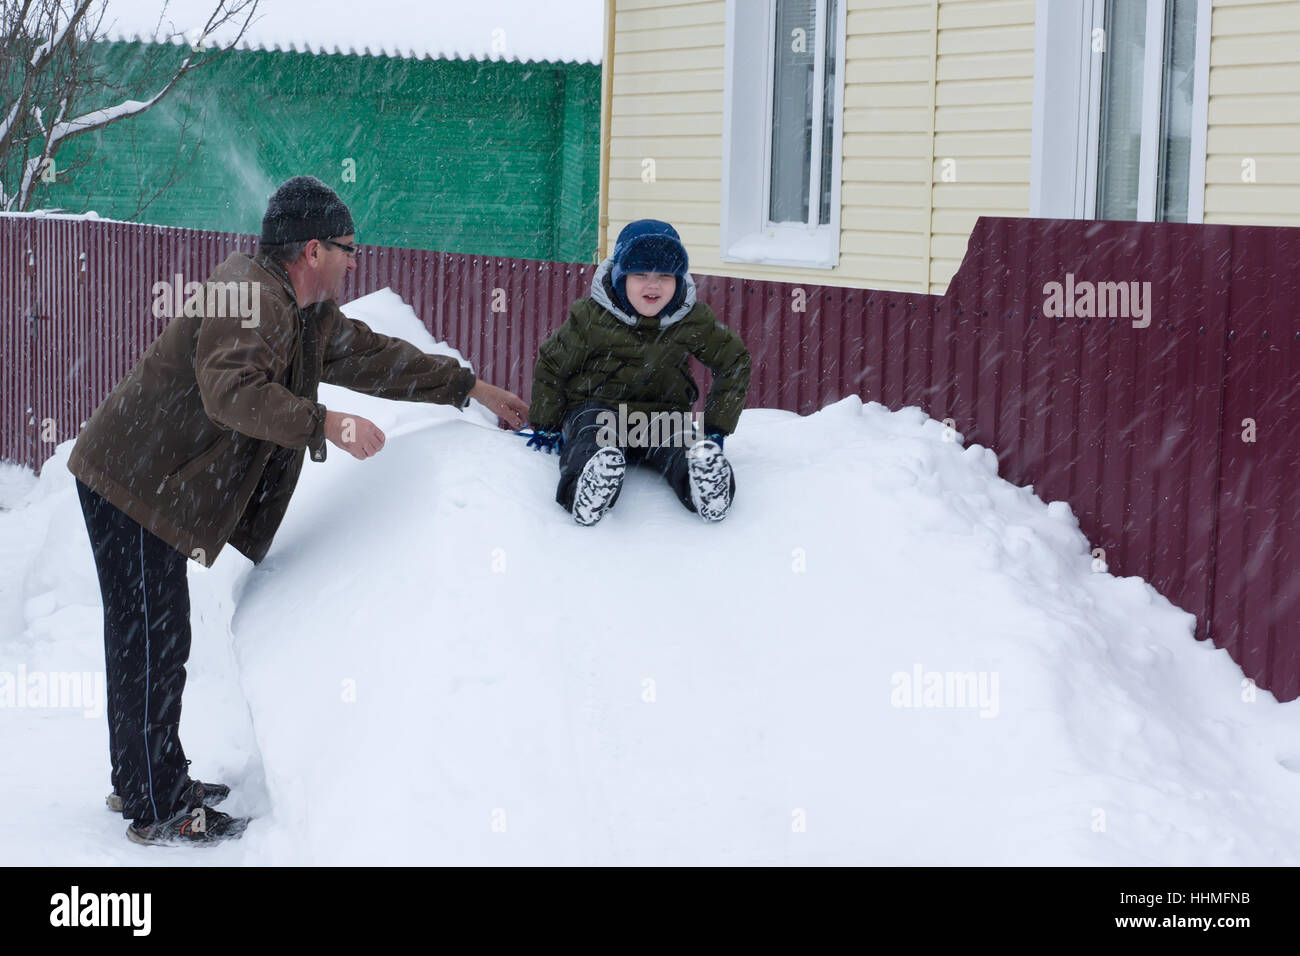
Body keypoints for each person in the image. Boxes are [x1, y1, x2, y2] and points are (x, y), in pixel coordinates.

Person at [66, 175, 529, 846]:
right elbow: (231, 393)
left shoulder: (300, 311)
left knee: (151, 635)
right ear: (312, 250)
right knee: (152, 637)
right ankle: (157, 802)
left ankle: (147, 779)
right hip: (132, 480)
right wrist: (325, 422)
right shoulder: (250, 298)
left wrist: (469, 387)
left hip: (145, 476)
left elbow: (374, 357)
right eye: (347, 247)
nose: (353, 260)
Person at [526, 219, 750, 525]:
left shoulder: (690, 319)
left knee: (682, 443)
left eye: (665, 276)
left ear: (679, 279)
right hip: (599, 409)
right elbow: (552, 363)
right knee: (592, 438)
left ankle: (706, 486)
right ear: (621, 277)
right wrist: (546, 423)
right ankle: (588, 488)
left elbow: (733, 360)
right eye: (640, 274)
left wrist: (717, 426)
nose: (653, 285)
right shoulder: (591, 316)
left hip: (662, 417)